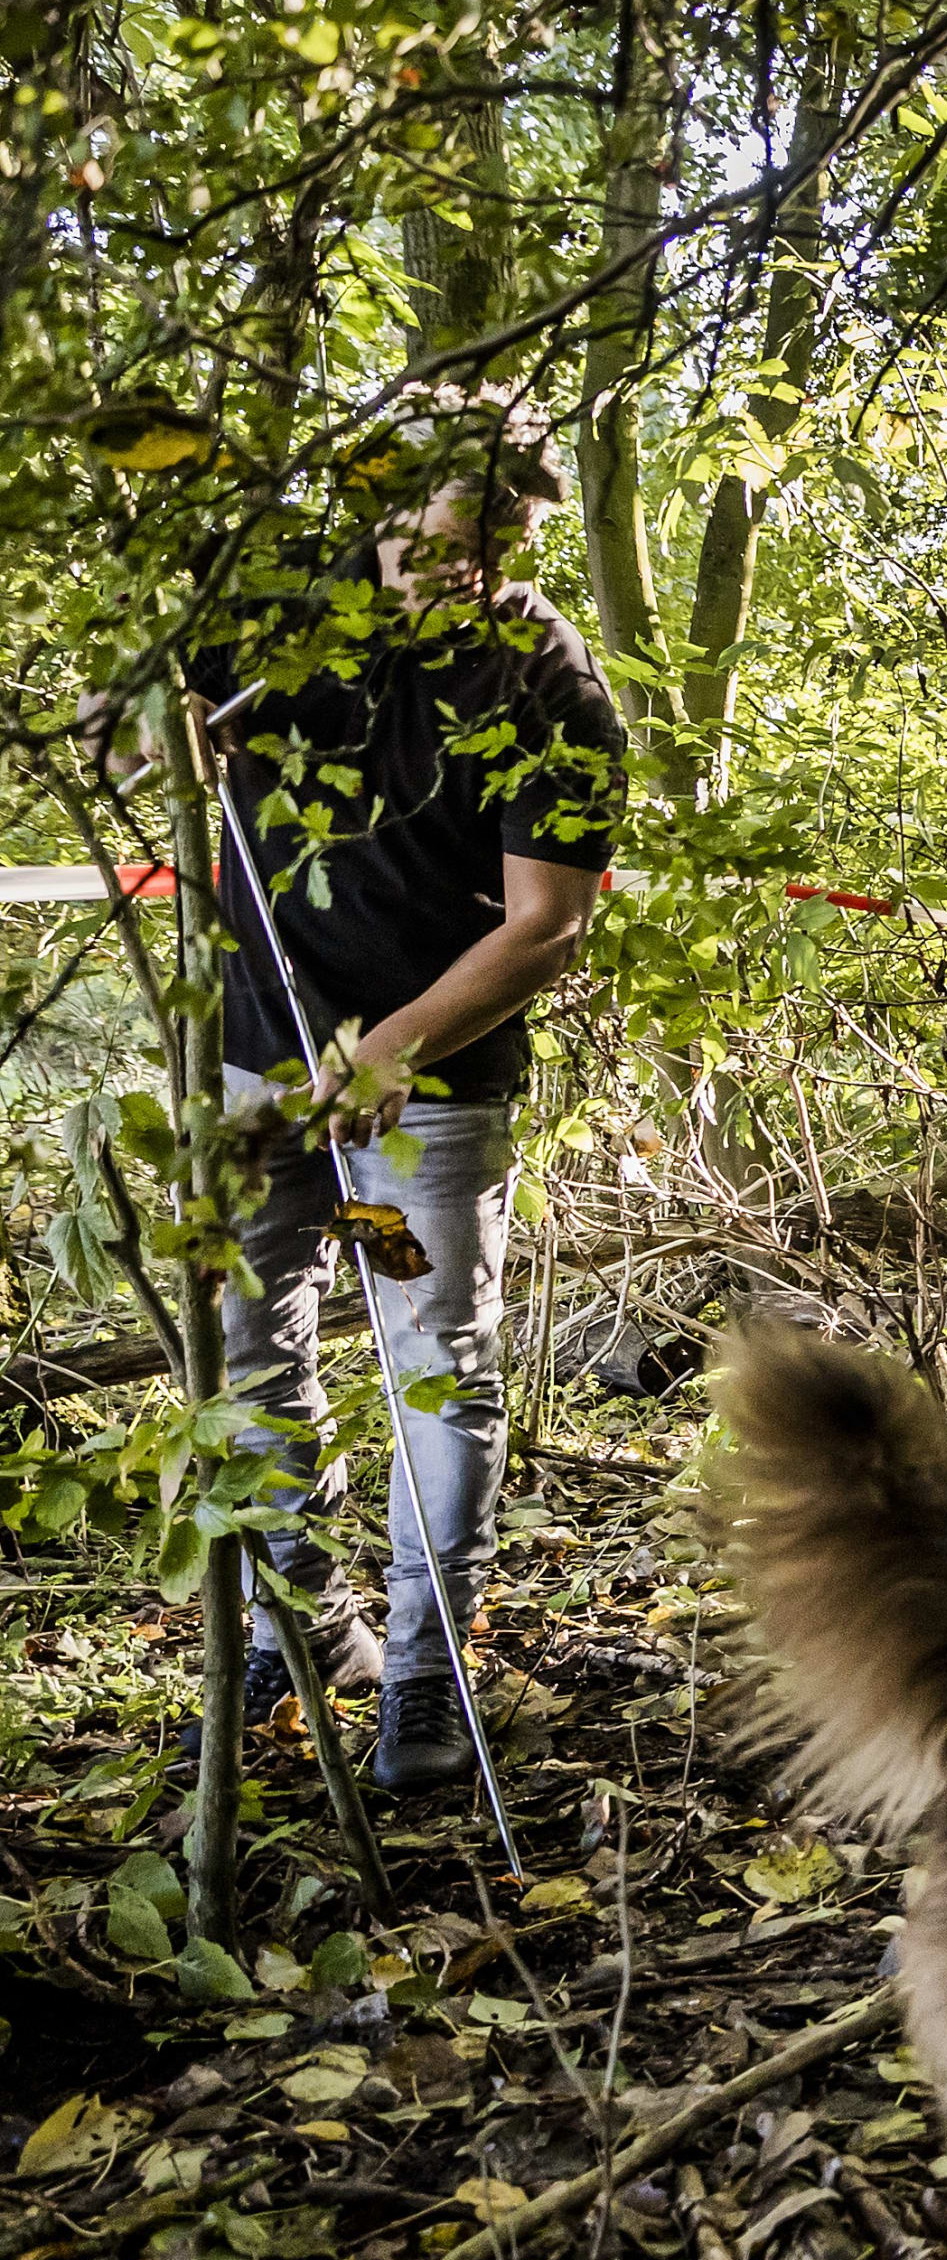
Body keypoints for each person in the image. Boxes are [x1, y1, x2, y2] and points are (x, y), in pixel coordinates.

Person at [190, 396, 620, 1791]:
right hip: (262, 1070)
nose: (485, 554)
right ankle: (305, 1630)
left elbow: (547, 924)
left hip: (415, 1108)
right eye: (464, 517)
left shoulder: (543, 677)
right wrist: (165, 737)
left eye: (512, 529)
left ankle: (426, 1684)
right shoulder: (277, 614)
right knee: (254, 1331)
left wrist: (393, 1053)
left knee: (430, 1357)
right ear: (391, 499)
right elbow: (138, 732)